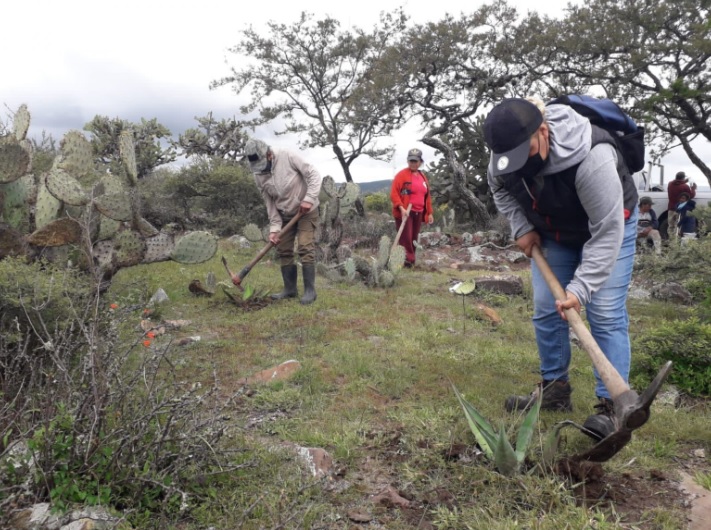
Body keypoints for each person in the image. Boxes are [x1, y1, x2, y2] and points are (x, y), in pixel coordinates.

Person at [483, 97, 639, 441]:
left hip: (610, 225)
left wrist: (580, 290)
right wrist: (521, 227)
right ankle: (555, 389)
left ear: (544, 130)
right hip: (555, 231)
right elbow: (500, 190)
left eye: (528, 152)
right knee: (545, 308)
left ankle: (614, 405)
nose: (519, 166)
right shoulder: (504, 157)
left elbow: (607, 230)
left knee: (605, 311)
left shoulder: (591, 157)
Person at [241, 138, 323, 305]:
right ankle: (290, 289)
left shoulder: (287, 156)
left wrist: (308, 198)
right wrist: (274, 228)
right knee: (284, 249)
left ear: (269, 154)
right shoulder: (258, 176)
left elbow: (313, 174)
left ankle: (310, 291)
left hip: (306, 210)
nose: (261, 169)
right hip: (284, 214)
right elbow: (270, 204)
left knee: (305, 246)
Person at [390, 148, 434, 267]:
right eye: (411, 161)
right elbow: (394, 193)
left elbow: (427, 196)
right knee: (406, 238)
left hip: (418, 212)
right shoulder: (401, 175)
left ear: (420, 162)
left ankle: (410, 260)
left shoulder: (422, 176)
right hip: (405, 212)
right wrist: (401, 207)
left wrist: (429, 213)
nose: (413, 163)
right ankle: (407, 261)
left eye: (415, 161)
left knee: (414, 238)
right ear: (407, 161)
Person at [667, 171, 696, 242]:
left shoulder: (670, 184)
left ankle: (671, 240)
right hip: (680, 209)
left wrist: (684, 181)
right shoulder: (685, 186)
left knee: (671, 225)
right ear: (683, 178)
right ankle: (676, 242)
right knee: (678, 226)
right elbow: (690, 195)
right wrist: (693, 189)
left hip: (671, 208)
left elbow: (678, 184)